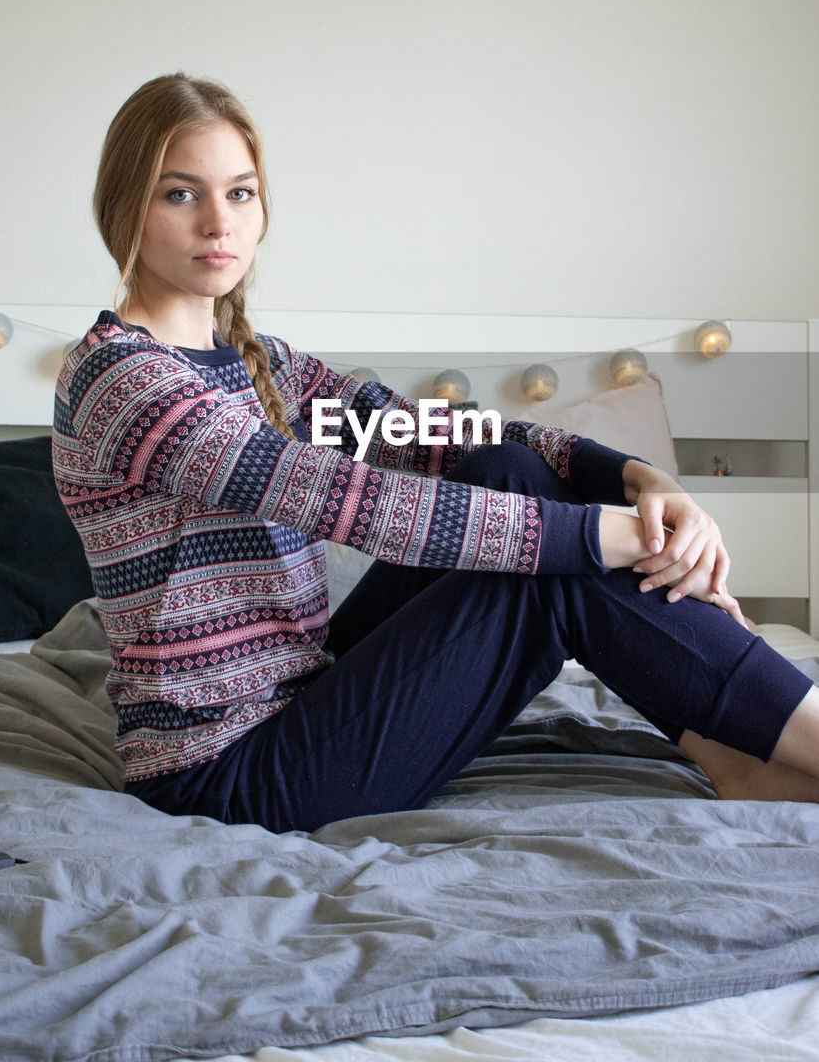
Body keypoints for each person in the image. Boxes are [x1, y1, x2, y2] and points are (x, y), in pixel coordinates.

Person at [52, 72, 819, 831]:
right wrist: (615, 537)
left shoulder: (265, 364)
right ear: (124, 207)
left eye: (240, 193)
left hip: (304, 692)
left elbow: (438, 435)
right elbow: (356, 504)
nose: (219, 223)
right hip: (225, 771)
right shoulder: (125, 382)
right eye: (180, 193)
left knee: (506, 473)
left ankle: (731, 757)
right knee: (546, 573)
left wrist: (636, 478)